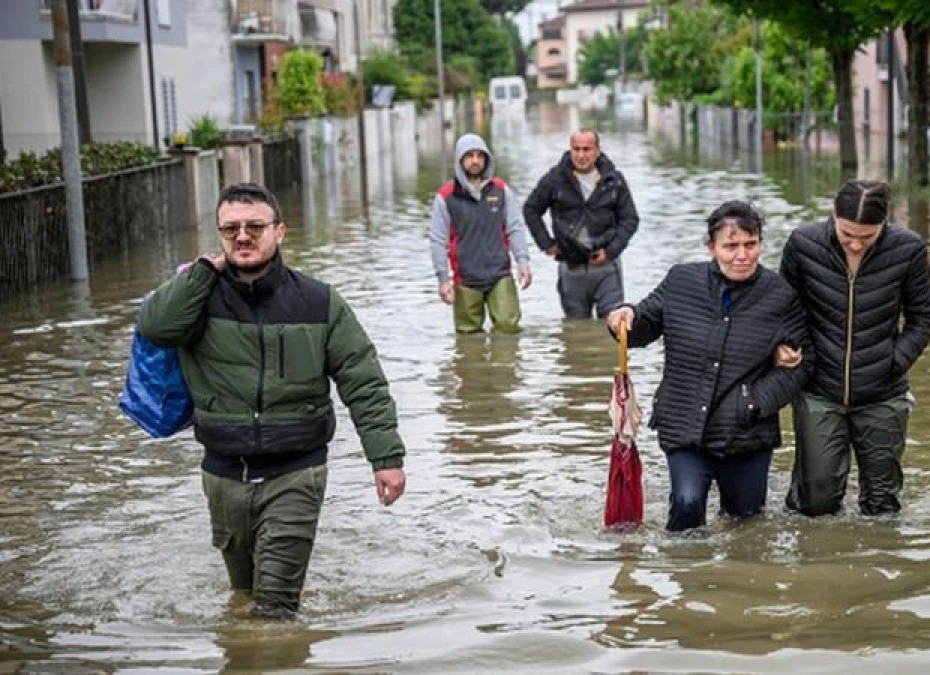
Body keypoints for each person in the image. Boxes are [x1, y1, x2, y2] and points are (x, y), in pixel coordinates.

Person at [137, 182, 407, 619]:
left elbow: (364, 382)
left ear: (279, 231)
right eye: (230, 230)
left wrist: (386, 458)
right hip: (223, 475)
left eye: (255, 226)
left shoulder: (319, 302)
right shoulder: (197, 299)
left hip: (296, 473)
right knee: (242, 596)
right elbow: (154, 327)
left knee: (275, 610)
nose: (243, 236)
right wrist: (204, 271)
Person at [605, 201, 811, 532]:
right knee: (686, 507)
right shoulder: (680, 281)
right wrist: (624, 317)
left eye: (751, 244)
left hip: (746, 431)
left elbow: (802, 363)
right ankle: (688, 578)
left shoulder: (779, 295)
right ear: (711, 247)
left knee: (746, 524)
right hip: (683, 424)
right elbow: (644, 324)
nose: (742, 255)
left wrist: (755, 402)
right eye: (731, 246)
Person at [777, 179, 930, 517]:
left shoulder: (908, 249)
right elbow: (785, 311)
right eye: (847, 234)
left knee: (882, 505)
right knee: (816, 503)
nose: (855, 245)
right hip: (818, 388)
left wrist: (894, 361)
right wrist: (791, 351)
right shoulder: (803, 244)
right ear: (833, 215)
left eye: (867, 237)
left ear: (884, 224)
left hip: (883, 392)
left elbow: (922, 318)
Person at [523, 128, 639, 319]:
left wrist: (611, 251)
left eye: (586, 149)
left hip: (607, 268)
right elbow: (531, 209)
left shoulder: (614, 180)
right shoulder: (555, 179)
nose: (581, 155)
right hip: (571, 268)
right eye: (576, 149)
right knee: (575, 331)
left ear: (597, 151)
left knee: (612, 327)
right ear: (570, 150)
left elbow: (630, 219)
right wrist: (547, 244)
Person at [431, 133, 532, 333]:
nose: (475, 161)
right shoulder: (445, 197)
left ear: (487, 159)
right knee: (467, 338)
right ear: (460, 160)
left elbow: (515, 228)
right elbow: (437, 240)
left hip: (500, 274)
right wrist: (443, 280)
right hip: (465, 279)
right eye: (469, 156)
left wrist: (523, 262)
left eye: (480, 155)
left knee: (508, 329)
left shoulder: (501, 191)